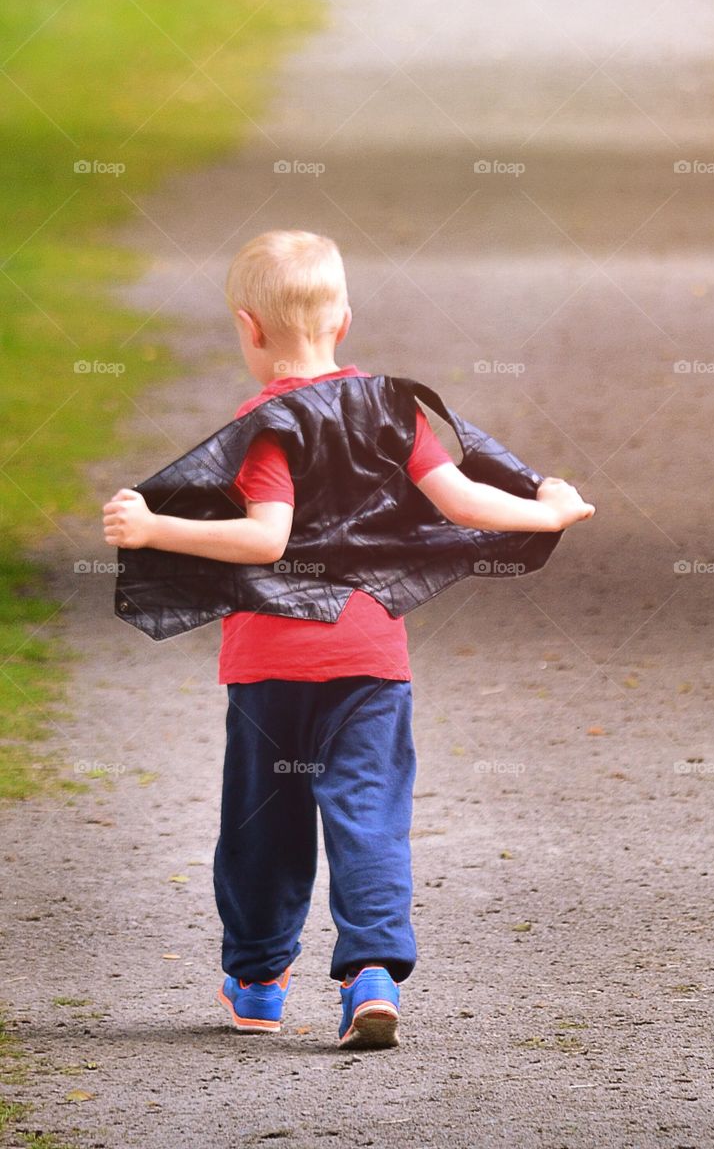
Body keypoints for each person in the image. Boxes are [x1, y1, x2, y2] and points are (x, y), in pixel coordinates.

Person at [102, 229, 594, 1048]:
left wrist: (154, 528)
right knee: (367, 814)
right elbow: (465, 501)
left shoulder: (266, 425)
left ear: (248, 328)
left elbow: (264, 542)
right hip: (369, 660)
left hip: (269, 667)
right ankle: (370, 972)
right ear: (345, 320)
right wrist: (550, 511)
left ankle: (258, 982)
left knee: (265, 821)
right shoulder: (395, 406)